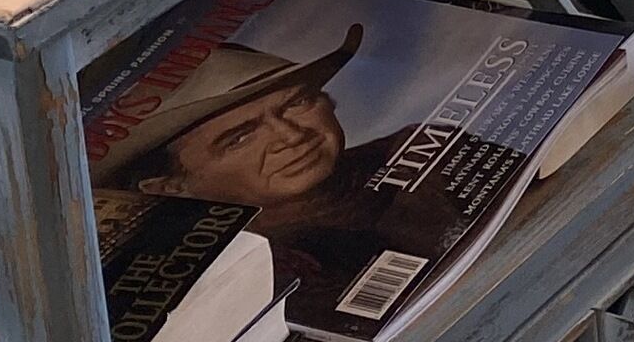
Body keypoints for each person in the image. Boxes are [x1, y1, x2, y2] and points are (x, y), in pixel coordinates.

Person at [103, 27, 480, 324]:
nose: (291, 135)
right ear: (170, 188)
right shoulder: (249, 276)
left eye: (298, 103)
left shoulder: (427, 149)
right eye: (240, 137)